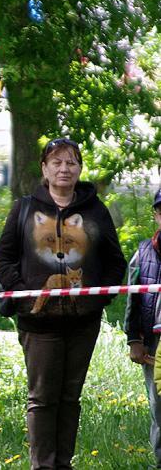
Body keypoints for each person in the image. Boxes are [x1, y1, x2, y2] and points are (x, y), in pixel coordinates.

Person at [0, 138, 126, 469]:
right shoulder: (24, 208)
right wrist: (22, 291)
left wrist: (101, 295)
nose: (64, 168)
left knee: (70, 398)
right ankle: (43, 464)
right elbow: (3, 258)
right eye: (57, 162)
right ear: (45, 169)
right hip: (38, 322)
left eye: (71, 162)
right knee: (42, 398)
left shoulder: (95, 210)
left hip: (83, 322)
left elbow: (115, 261)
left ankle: (62, 463)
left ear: (80, 168)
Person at [125, 188, 161, 466]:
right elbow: (132, 300)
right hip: (154, 343)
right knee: (158, 407)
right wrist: (134, 340)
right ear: (156, 215)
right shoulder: (143, 252)